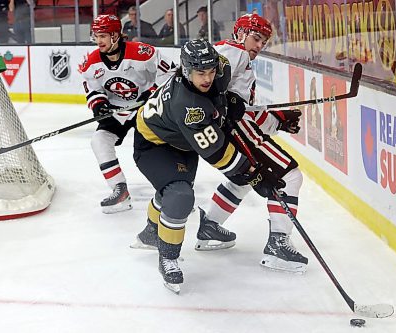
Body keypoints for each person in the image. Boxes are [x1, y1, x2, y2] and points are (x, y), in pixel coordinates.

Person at [132, 39, 284, 292]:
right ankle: (168, 257)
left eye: (211, 72)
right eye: (200, 73)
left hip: (182, 141)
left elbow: (225, 85)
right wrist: (254, 174)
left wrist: (231, 99)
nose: (207, 78)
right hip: (154, 144)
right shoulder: (188, 106)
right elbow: (218, 154)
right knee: (180, 196)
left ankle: (151, 230)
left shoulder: (219, 67)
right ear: (186, 70)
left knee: (169, 190)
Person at [195, 13, 309, 273]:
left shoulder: (232, 55)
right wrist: (225, 102)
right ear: (240, 33)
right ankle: (278, 245)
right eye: (255, 38)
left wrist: (276, 121)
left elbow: (242, 108)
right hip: (236, 131)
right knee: (289, 177)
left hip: (229, 131)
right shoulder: (234, 51)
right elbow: (216, 94)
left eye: (263, 42)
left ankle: (210, 225)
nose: (258, 46)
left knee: (242, 178)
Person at [79, 14, 174, 214]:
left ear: (115, 35)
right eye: (96, 36)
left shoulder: (142, 52)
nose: (98, 41)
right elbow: (91, 87)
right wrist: (99, 104)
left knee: (148, 152)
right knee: (99, 140)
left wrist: (152, 93)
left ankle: (172, 193)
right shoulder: (92, 61)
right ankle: (119, 190)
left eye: (103, 36)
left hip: (146, 108)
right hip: (118, 110)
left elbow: (171, 73)